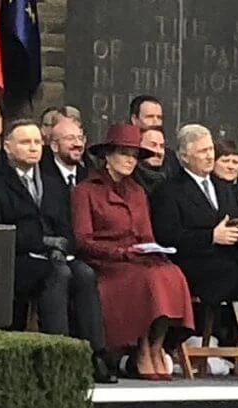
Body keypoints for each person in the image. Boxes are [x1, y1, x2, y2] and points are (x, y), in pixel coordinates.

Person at [0, 119, 116, 384]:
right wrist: (44, 243)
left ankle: (95, 354)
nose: (33, 148)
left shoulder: (52, 183)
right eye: (26, 143)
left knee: (83, 273)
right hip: (13, 260)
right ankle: (57, 355)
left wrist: (63, 245)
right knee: (57, 273)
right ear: (8, 147)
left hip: (52, 256)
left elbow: (67, 226)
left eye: (37, 142)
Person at [151, 124, 238, 382]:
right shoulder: (169, 191)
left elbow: (234, 220)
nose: (209, 156)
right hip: (196, 266)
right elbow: (167, 237)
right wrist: (211, 236)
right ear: (184, 156)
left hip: (231, 263)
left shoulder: (224, 187)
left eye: (210, 150)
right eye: (202, 151)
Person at [72, 124, 194, 380]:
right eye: (124, 153)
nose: (130, 161)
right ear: (108, 155)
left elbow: (147, 234)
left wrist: (154, 251)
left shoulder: (137, 191)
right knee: (148, 279)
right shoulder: (86, 190)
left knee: (171, 273)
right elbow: (83, 240)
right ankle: (140, 348)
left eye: (134, 155)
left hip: (138, 258)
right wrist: (121, 252)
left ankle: (156, 344)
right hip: (106, 262)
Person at [129, 95, 182, 179]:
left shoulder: (170, 158)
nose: (155, 122)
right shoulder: (125, 156)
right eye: (149, 117)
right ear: (134, 119)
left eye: (159, 118)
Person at [40, 117, 88, 198]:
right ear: (54, 146)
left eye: (80, 138)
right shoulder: (41, 179)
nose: (78, 144)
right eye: (70, 138)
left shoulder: (88, 178)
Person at [132, 126, 168, 195]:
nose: (158, 151)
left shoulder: (172, 180)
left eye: (162, 146)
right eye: (153, 145)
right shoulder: (129, 180)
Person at [213, 139, 238, 206]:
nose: (231, 167)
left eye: (235, 162)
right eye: (225, 161)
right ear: (213, 163)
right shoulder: (207, 192)